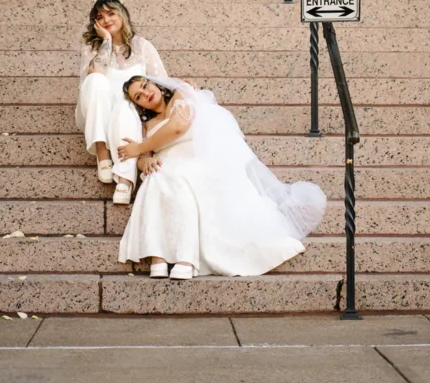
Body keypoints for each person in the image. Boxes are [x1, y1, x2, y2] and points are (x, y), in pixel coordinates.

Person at [117, 76, 327, 279]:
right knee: (157, 177)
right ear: (138, 104)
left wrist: (140, 147)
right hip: (168, 166)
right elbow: (142, 158)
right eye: (139, 96)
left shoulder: (181, 94)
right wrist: (145, 161)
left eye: (145, 86)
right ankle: (158, 257)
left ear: (156, 83)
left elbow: (178, 127)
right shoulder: (147, 125)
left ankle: (185, 258)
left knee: (177, 178)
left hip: (196, 161)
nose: (146, 93)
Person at [74, 0, 167, 205]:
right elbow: (95, 73)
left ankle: (125, 181)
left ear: (122, 15)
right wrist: (106, 40)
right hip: (96, 112)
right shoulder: (92, 46)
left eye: (111, 13)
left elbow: (160, 83)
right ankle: (102, 152)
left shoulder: (142, 46)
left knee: (126, 105)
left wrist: (183, 86)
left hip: (130, 116)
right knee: (96, 80)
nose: (106, 19)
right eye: (100, 16)